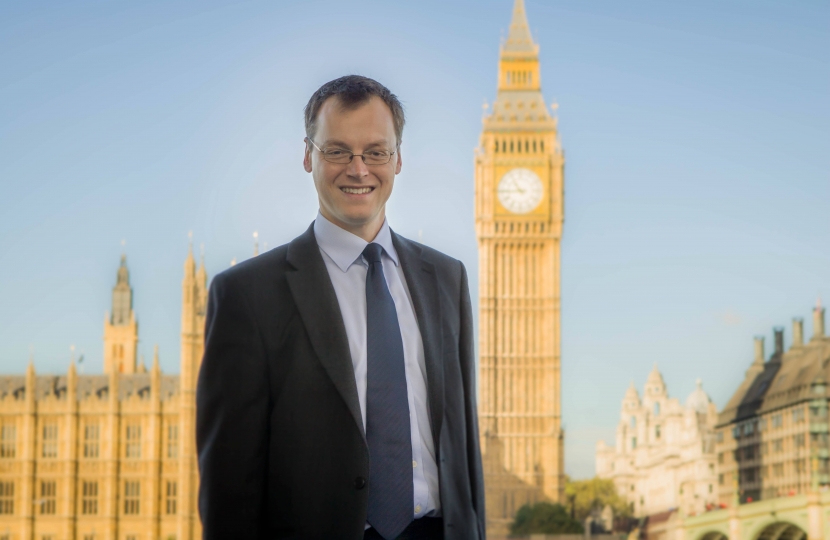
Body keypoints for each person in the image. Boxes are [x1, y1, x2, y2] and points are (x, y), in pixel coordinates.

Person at [196, 75, 485, 540]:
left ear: (397, 159)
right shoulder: (247, 294)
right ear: (308, 155)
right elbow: (230, 486)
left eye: (375, 151)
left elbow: (465, 451)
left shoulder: (446, 279)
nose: (359, 169)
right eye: (337, 151)